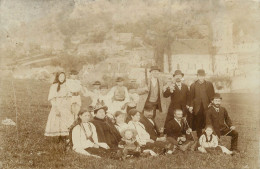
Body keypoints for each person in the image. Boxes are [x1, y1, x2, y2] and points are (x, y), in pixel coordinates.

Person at [45, 72, 74, 140]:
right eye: (60, 77)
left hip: (65, 104)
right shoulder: (54, 86)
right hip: (57, 104)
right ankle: (58, 136)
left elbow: (70, 97)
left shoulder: (67, 85)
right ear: (57, 77)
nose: (62, 78)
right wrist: (55, 108)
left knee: (65, 119)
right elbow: (52, 98)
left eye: (63, 77)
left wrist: (69, 105)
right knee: (57, 119)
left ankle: (64, 136)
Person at [189, 69, 215, 138]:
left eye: (203, 76)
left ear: (204, 76)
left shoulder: (209, 84)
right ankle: (200, 138)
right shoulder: (193, 85)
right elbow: (191, 98)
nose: (201, 77)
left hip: (207, 106)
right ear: (197, 76)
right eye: (200, 76)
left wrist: (211, 103)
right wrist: (191, 106)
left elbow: (212, 96)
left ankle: (208, 137)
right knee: (198, 123)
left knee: (208, 122)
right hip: (197, 107)